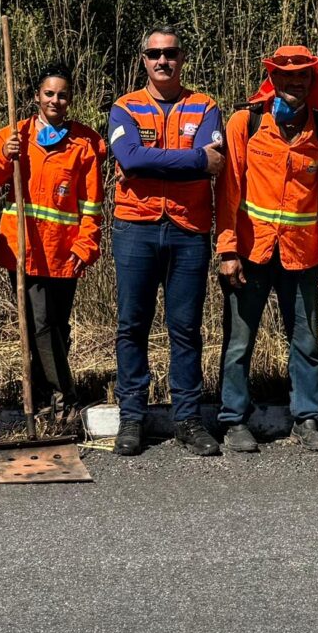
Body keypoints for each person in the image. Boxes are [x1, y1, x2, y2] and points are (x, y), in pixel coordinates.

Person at [215, 44, 318, 454]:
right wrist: (227, 250)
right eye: (286, 75)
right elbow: (228, 191)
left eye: (302, 75)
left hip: (302, 256)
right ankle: (233, 420)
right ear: (272, 78)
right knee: (239, 343)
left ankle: (307, 418)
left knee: (307, 341)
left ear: (312, 79)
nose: (295, 82)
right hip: (250, 253)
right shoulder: (246, 122)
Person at [105, 26, 225, 456]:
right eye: (154, 54)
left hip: (189, 229)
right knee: (132, 325)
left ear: (182, 58)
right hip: (135, 226)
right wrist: (192, 159)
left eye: (170, 53)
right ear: (143, 59)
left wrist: (154, 162)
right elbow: (130, 158)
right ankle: (132, 417)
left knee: (186, 328)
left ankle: (188, 419)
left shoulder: (205, 106)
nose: (163, 61)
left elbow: (215, 162)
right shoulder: (125, 107)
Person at [0, 62, 105, 431]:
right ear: (37, 96)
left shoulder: (84, 144)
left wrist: (86, 246)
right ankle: (65, 398)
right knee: (40, 324)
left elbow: (92, 204)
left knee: (56, 328)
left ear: (70, 99)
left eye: (62, 95)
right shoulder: (14, 134)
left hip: (65, 253)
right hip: (24, 249)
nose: (55, 100)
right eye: (49, 93)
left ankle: (44, 399)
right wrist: (5, 154)